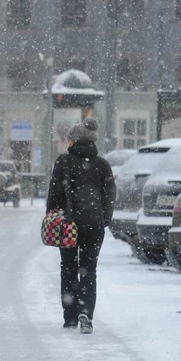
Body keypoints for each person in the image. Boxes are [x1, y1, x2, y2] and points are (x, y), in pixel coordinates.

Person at [46, 117, 116, 333]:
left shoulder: (63, 162)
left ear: (74, 141)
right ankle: (86, 313)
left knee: (68, 269)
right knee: (88, 271)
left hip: (68, 225)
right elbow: (110, 194)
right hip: (94, 226)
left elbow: (55, 193)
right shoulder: (102, 164)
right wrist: (104, 218)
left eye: (69, 139)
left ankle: (70, 317)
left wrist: (51, 216)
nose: (67, 142)